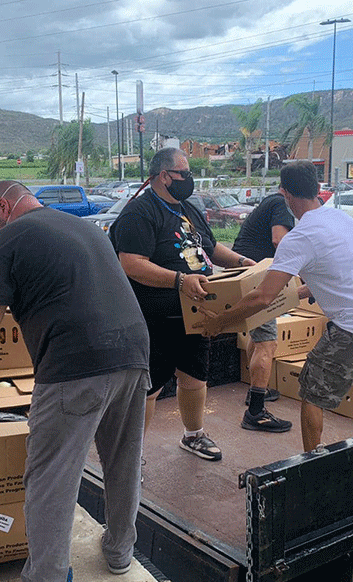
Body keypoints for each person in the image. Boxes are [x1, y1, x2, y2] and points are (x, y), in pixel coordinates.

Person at [0, 180, 149, 582]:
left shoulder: (8, 239)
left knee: (50, 477)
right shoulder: (80, 226)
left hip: (74, 365)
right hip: (134, 354)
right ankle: (121, 551)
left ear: (5, 208)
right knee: (123, 461)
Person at [196, 162, 353, 452]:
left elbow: (262, 297)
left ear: (285, 193)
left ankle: (312, 462)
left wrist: (220, 322)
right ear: (318, 189)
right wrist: (299, 292)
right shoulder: (341, 219)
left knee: (312, 394)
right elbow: (338, 275)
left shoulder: (299, 237)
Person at [109, 147, 254, 461]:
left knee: (195, 376)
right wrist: (179, 280)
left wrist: (244, 264)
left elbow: (212, 249)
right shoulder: (139, 213)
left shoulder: (189, 207)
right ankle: (133, 456)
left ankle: (193, 435)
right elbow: (131, 263)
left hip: (196, 313)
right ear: (164, 176)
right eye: (184, 174)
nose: (189, 180)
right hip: (154, 317)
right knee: (149, 387)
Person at [231, 192, 295, 433]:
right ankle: (256, 411)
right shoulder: (281, 203)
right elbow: (280, 240)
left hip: (244, 273)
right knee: (267, 342)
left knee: (258, 338)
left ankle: (256, 389)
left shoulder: (270, 201)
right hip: (256, 275)